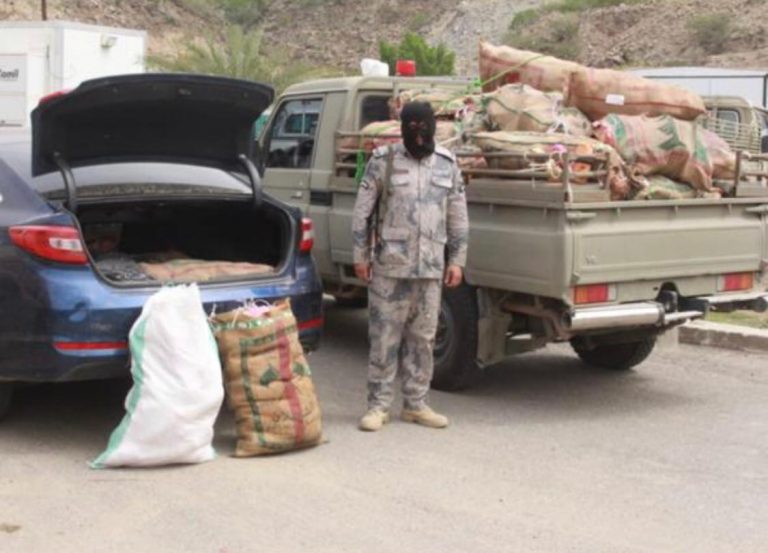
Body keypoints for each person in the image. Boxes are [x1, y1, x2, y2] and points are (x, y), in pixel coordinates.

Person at [351, 101, 469, 432]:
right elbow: (362, 213)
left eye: (424, 125)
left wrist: (457, 260)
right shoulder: (383, 161)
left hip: (430, 268)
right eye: (412, 126)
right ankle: (378, 406)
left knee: (423, 339)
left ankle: (416, 404)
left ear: (434, 126)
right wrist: (360, 256)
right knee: (383, 338)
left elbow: (458, 216)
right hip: (390, 268)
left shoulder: (447, 164)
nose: (419, 133)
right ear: (403, 127)